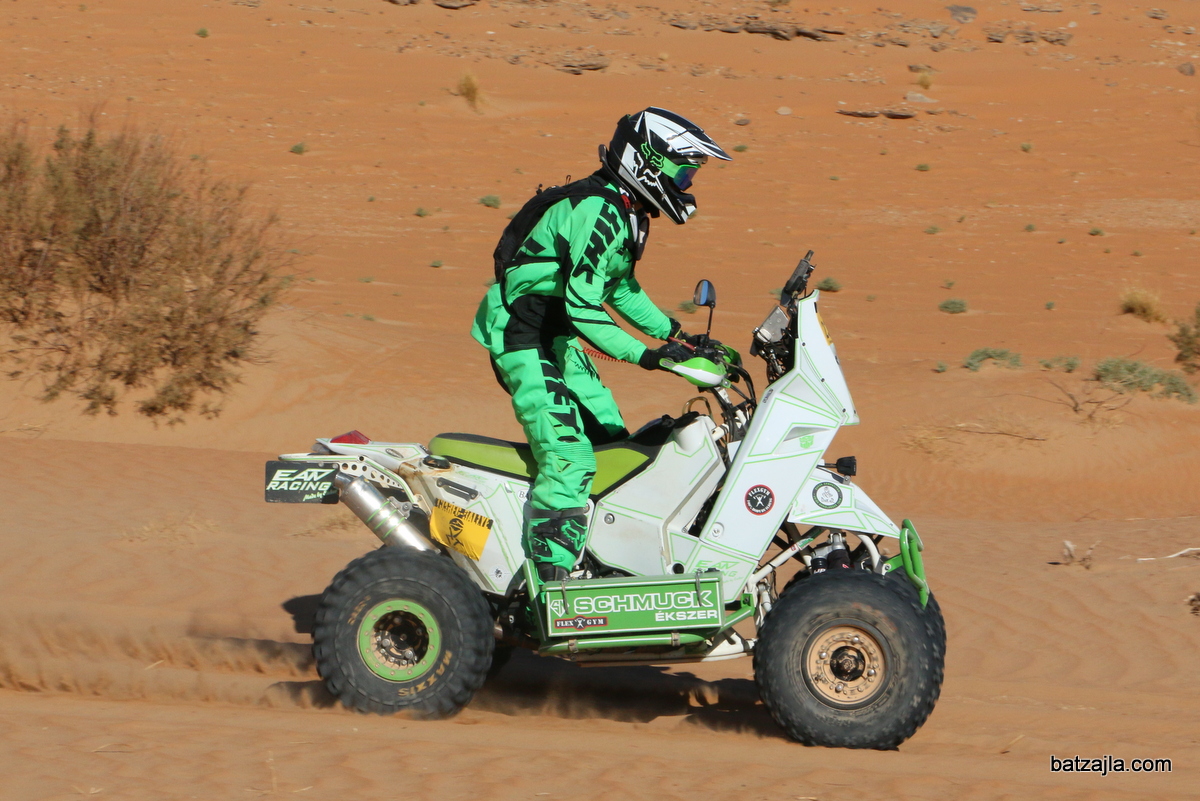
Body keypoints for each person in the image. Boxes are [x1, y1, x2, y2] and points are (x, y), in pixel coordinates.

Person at [471, 107, 730, 581]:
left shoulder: (623, 209)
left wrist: (677, 336)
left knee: (613, 445)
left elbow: (621, 289)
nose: (687, 185)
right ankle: (549, 584)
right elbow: (584, 308)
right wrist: (650, 357)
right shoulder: (598, 210)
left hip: (555, 338)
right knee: (570, 457)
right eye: (684, 173)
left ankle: (602, 564)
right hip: (522, 336)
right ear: (648, 162)